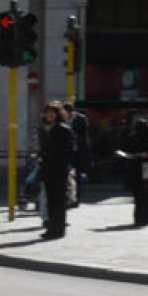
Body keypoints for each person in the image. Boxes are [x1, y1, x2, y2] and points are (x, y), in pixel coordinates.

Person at [37, 101, 75, 239]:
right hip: (47, 168)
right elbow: (42, 148)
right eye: (47, 112)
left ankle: (59, 229)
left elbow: (70, 150)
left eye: (52, 112)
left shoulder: (63, 129)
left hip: (59, 169)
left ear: (57, 114)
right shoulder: (43, 129)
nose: (48, 115)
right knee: (50, 200)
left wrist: (63, 163)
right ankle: (51, 228)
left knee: (59, 200)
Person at [120, 117, 148, 227]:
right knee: (146, 195)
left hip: (136, 170)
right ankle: (146, 218)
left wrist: (132, 156)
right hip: (147, 170)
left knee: (138, 197)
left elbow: (127, 151)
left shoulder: (132, 137)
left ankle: (139, 218)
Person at [64, 101, 92, 206]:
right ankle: (68, 197)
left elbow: (83, 137)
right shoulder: (62, 119)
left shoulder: (81, 119)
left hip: (78, 153)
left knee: (77, 177)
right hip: (67, 152)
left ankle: (75, 199)